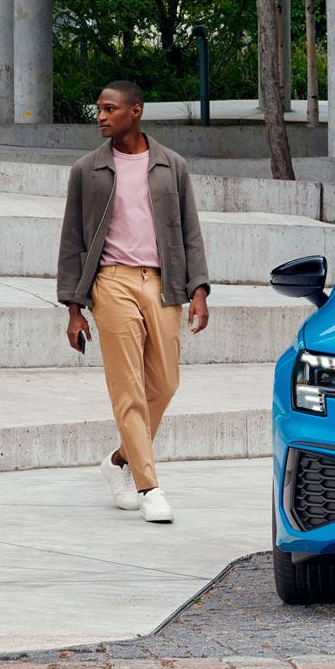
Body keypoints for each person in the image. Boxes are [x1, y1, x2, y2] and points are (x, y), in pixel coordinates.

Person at [56, 80, 210, 523]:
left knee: (165, 384)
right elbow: (71, 240)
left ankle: (118, 461)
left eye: (109, 109)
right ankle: (150, 487)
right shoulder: (86, 170)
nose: (100, 116)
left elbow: (190, 232)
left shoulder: (171, 166)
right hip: (111, 283)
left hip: (163, 284)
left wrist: (198, 289)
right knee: (128, 389)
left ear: (135, 111)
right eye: (98, 109)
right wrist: (73, 307)